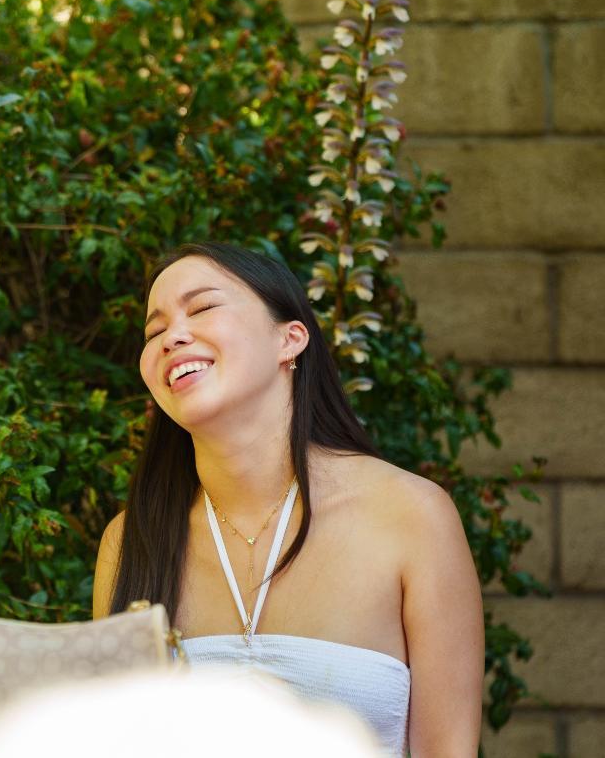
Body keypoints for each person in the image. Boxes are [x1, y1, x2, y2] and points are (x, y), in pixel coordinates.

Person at [92, 243, 482, 757]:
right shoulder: (130, 541)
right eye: (154, 331)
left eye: (202, 307)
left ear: (289, 339)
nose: (173, 336)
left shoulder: (411, 515)